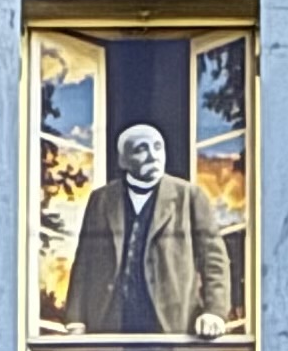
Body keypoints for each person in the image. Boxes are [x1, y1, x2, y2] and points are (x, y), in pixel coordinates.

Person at [65, 122, 234, 338]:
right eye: (141, 149)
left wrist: (215, 312)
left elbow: (214, 260)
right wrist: (76, 318)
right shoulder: (102, 200)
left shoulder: (189, 197)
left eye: (157, 147)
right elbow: (84, 262)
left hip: (173, 324)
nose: (153, 156)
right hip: (111, 323)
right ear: (123, 160)